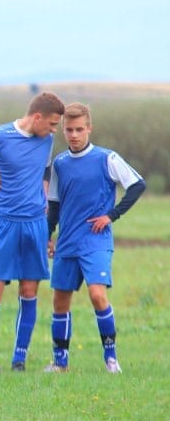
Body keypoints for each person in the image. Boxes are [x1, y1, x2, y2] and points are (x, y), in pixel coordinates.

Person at [45, 102, 146, 373]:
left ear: (89, 128)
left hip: (96, 240)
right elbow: (53, 204)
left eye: (79, 129)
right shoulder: (60, 164)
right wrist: (48, 236)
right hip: (67, 242)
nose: (74, 134)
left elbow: (137, 185)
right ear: (64, 131)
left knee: (97, 295)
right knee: (60, 302)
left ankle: (111, 358)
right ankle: (60, 363)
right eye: (69, 130)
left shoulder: (107, 158)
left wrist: (111, 215)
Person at [0, 92, 65, 371]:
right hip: (3, 223)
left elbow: (44, 173)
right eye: (52, 124)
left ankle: (19, 359)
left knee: (29, 291)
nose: (55, 130)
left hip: (34, 225)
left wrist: (45, 218)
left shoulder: (48, 140)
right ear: (37, 117)